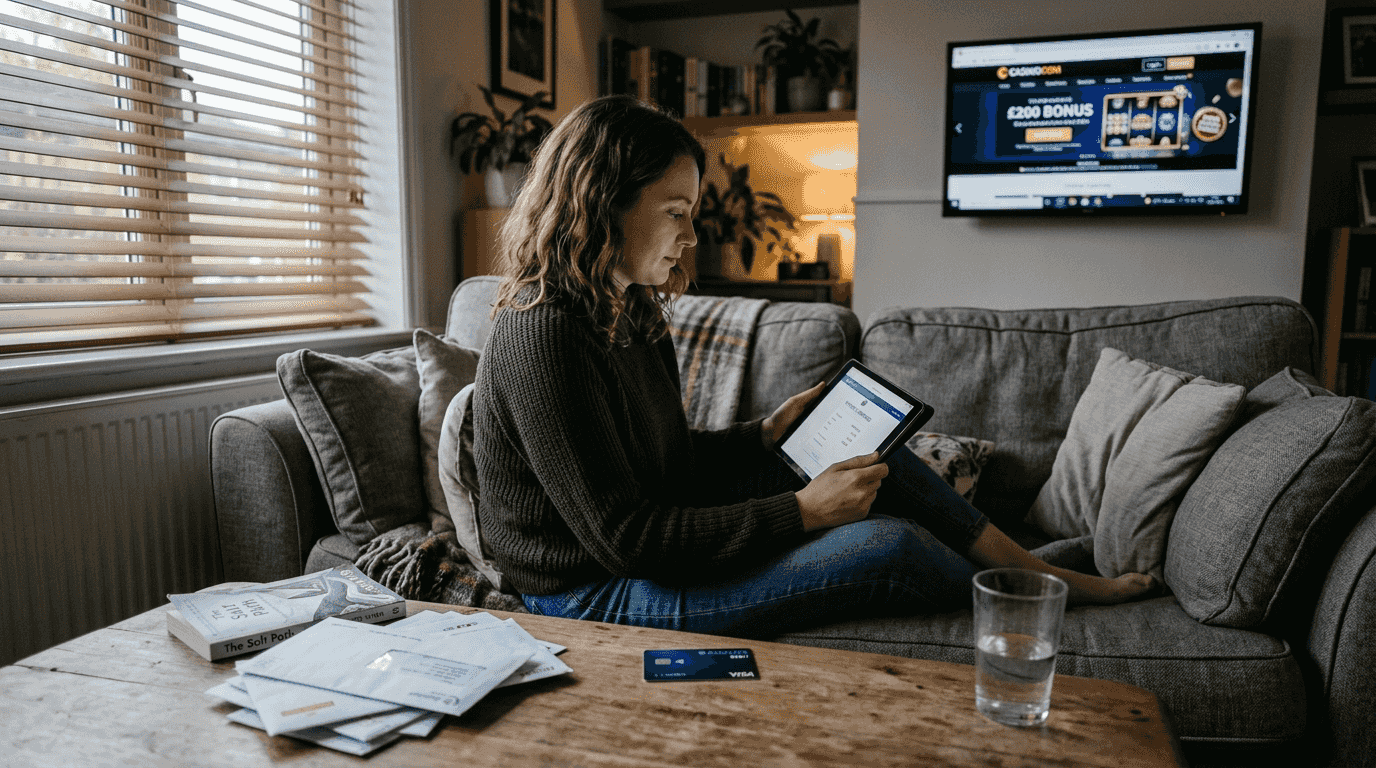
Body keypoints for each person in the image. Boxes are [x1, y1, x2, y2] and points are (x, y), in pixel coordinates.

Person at [471, 95, 1154, 638]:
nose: (691, 234)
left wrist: (762, 435)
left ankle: (1028, 568)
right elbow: (627, 538)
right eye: (676, 211)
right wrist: (800, 512)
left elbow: (665, 465)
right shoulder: (543, 334)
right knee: (885, 548)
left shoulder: (631, 308)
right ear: (601, 204)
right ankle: (1026, 593)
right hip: (590, 595)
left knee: (870, 454)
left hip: (645, 548)